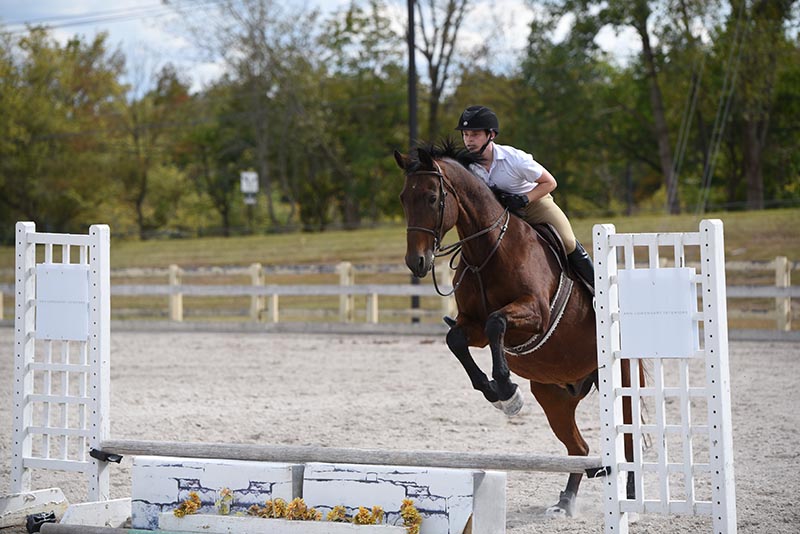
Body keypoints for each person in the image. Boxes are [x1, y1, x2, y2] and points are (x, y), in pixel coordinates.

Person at [455, 105, 595, 289]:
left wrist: (524, 199)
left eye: (475, 135)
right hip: (501, 212)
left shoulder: (515, 159)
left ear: (491, 135)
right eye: (465, 135)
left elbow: (550, 183)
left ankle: (597, 291)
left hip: (535, 204)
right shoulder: (467, 167)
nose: (469, 141)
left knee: (568, 241)